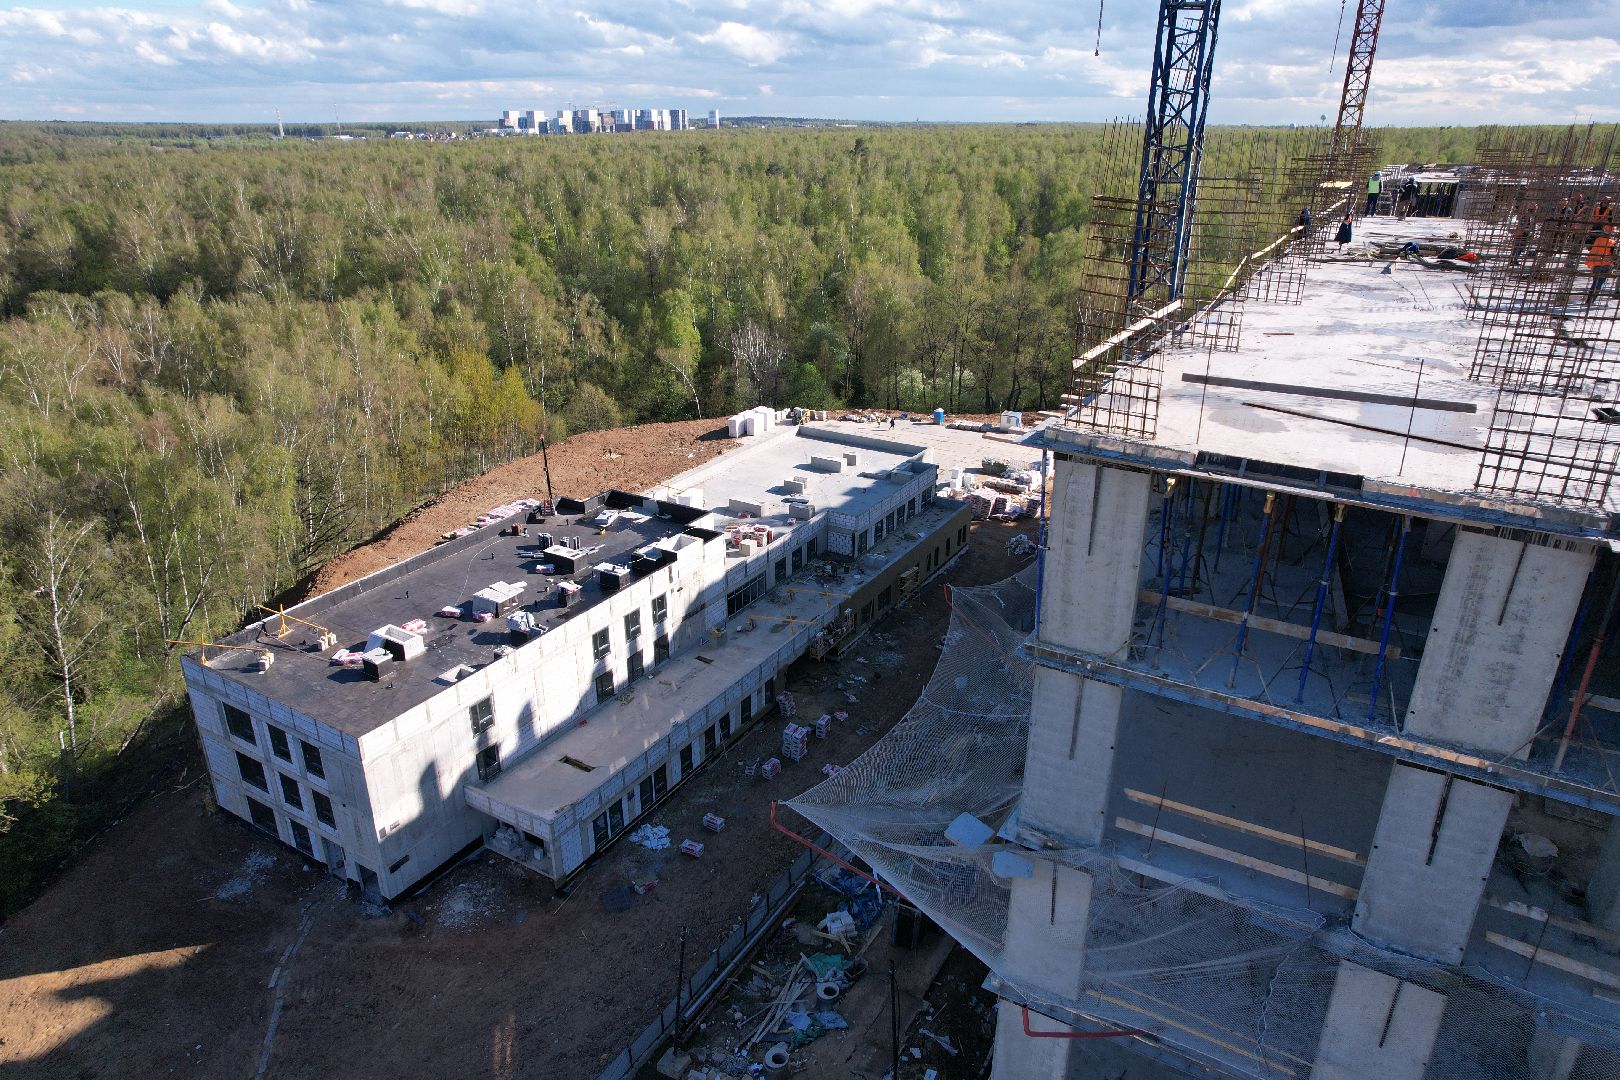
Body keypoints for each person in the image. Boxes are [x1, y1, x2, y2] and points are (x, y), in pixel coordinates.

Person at [1586, 225, 1614, 305]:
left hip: (1596, 264)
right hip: (1605, 265)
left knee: (1595, 282)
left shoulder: (1597, 240)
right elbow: (1613, 254)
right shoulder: (1611, 242)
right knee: (1599, 283)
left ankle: (1589, 299)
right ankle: (1591, 300)